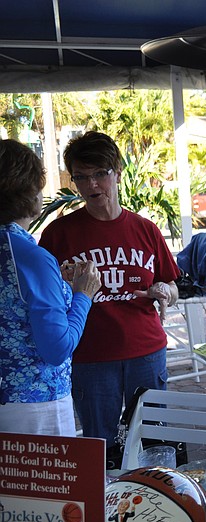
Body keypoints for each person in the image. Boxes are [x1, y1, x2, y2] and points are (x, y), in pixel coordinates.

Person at [38, 131, 180, 450]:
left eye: (100, 174)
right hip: (91, 355)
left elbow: (173, 287)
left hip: (145, 351)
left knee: (154, 440)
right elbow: (44, 298)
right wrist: (64, 283)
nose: (92, 185)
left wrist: (165, 291)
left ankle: (152, 498)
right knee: (101, 443)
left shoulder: (146, 230)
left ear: (116, 172)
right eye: (82, 177)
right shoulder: (58, 235)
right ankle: (107, 499)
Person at [0, 139, 101, 436]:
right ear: (29, 192)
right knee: (47, 482)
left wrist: (58, 285)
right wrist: (83, 294)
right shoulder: (31, 256)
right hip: (35, 405)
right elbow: (56, 348)